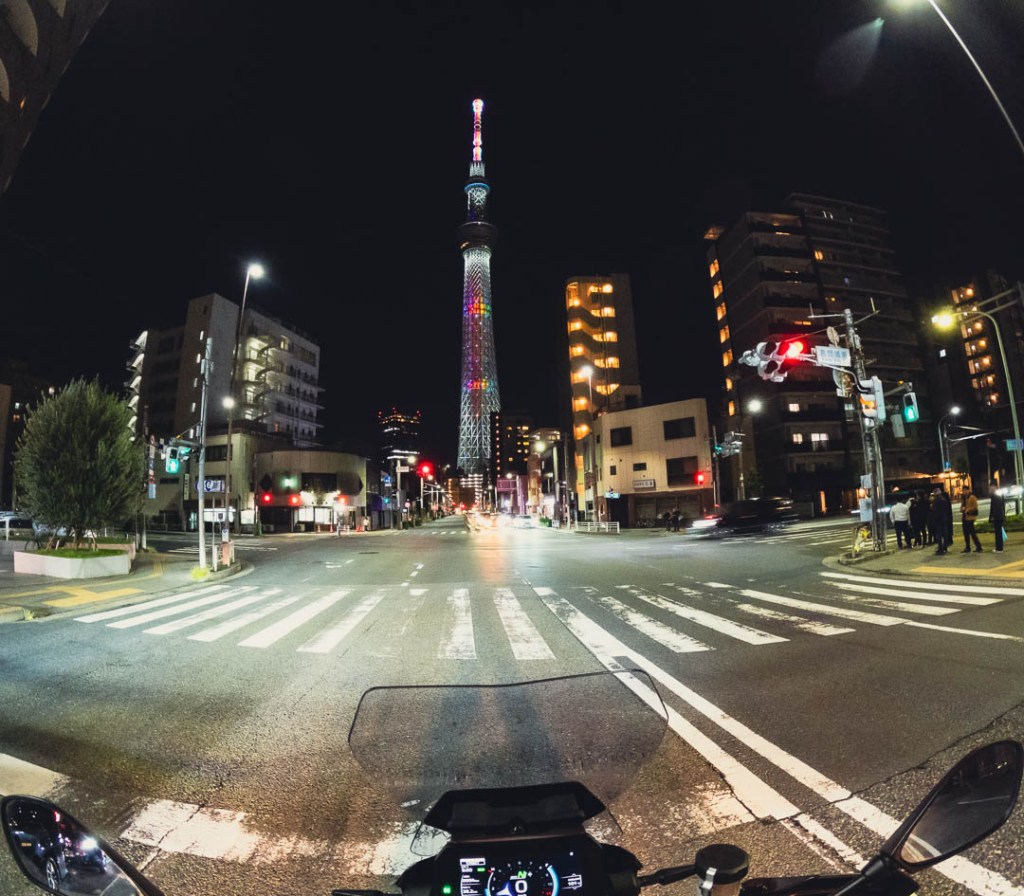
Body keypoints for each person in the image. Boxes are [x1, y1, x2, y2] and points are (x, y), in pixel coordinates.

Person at [960, 486, 982, 552]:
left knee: (972, 533)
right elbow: (961, 507)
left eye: (965, 490)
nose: (964, 492)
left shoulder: (972, 497)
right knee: (966, 533)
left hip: (970, 518)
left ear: (969, 490)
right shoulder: (964, 498)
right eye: (963, 490)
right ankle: (968, 547)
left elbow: (975, 507)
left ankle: (978, 546)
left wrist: (968, 510)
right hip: (965, 517)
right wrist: (962, 509)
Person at [929, 487, 950, 555]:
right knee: (945, 533)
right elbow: (946, 509)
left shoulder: (936, 500)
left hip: (938, 519)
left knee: (939, 534)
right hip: (944, 518)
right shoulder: (943, 499)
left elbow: (934, 510)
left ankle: (940, 548)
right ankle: (945, 547)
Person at [989, 480, 1006, 553]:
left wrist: (993, 517)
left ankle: (999, 548)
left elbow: (996, 508)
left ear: (994, 487)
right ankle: (999, 547)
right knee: (998, 533)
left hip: (998, 518)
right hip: (999, 517)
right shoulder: (997, 495)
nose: (990, 489)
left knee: (998, 534)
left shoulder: (995, 496)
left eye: (991, 488)